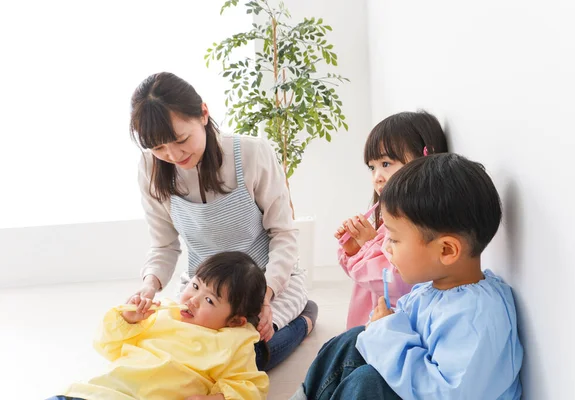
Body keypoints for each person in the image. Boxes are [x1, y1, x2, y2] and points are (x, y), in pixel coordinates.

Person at [128, 72, 318, 371]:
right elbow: (164, 245)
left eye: (180, 140)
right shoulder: (150, 169)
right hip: (202, 290)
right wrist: (149, 286)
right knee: (177, 354)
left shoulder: (252, 153)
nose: (173, 155)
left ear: (204, 114)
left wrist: (265, 296)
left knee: (244, 355)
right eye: (159, 148)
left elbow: (282, 233)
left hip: (267, 285)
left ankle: (304, 319)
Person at [293, 153, 524, 399]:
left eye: (394, 239)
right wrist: (381, 327)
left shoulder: (478, 315)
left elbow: (443, 392)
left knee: (367, 382)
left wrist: (385, 330)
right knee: (352, 340)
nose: (386, 247)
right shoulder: (435, 288)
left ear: (446, 250)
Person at [47, 251, 270, 400]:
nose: (192, 299)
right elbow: (107, 347)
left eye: (209, 300)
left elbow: (249, 385)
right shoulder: (161, 311)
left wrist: (215, 397)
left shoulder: (234, 341)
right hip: (96, 393)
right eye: (194, 286)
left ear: (235, 321)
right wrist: (128, 320)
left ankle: (305, 321)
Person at [334, 111, 448, 328]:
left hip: (392, 330)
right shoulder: (388, 216)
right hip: (370, 327)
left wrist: (369, 245)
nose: (377, 176)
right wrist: (354, 249)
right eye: (372, 167)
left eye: (386, 164)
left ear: (424, 160)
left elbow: (397, 283)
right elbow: (366, 279)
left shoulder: (418, 224)